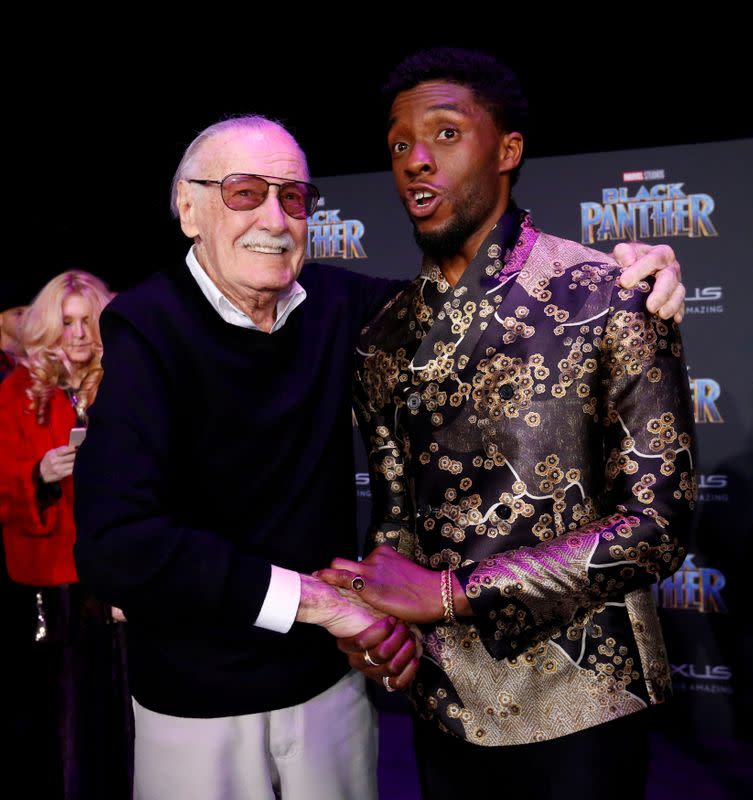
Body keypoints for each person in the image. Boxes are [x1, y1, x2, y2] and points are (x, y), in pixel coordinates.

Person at [72, 114, 685, 800]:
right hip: (198, 696)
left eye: (294, 196)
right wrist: (323, 606)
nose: (275, 217)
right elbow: (115, 546)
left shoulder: (342, 306)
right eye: (245, 192)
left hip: (328, 689)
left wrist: (621, 274)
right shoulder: (146, 326)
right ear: (189, 208)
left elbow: (491, 301)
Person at [318, 48, 697, 800]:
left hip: (584, 700)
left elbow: (657, 526)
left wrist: (452, 594)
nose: (416, 161)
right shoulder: (383, 334)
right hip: (443, 705)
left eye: (446, 134)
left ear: (508, 150)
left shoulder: (610, 293)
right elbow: (396, 522)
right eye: (399, 145)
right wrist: (380, 616)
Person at [0, 270, 132, 800]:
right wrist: (40, 475)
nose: (77, 334)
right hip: (49, 582)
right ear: (48, 328)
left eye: (88, 322)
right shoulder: (17, 391)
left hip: (116, 581)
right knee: (57, 722)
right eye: (67, 322)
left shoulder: (126, 381)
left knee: (118, 717)